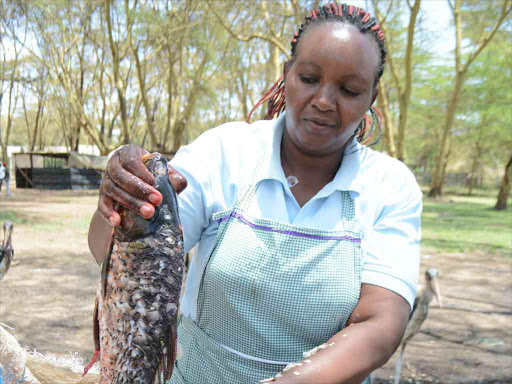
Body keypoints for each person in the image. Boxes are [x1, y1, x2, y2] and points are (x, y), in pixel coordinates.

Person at [88, 3, 422, 383]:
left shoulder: (390, 186)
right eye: (310, 78)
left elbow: (380, 323)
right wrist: (122, 199)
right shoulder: (225, 152)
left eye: (348, 89)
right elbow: (122, 258)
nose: (325, 101)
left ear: (371, 96)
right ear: (287, 74)